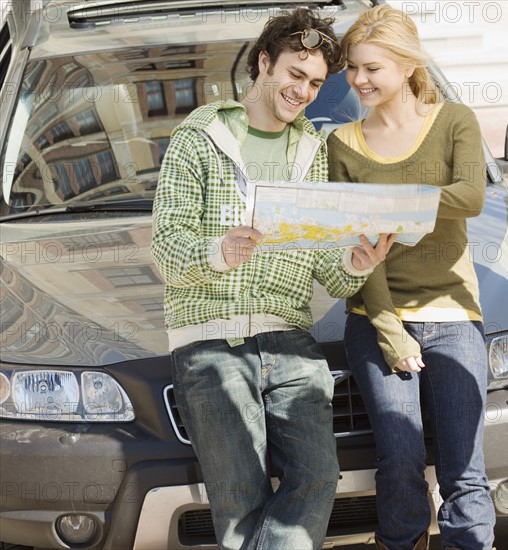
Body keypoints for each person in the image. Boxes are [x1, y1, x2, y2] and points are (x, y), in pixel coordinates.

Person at [151, 8, 395, 550]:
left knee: (316, 477)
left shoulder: (313, 154)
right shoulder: (198, 138)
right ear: (264, 63)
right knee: (239, 501)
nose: (303, 91)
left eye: (313, 83)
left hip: (290, 340)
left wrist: (359, 262)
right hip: (210, 341)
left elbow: (328, 267)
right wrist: (220, 250)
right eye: (295, 74)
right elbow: (167, 251)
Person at [327, 5, 496, 550]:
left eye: (371, 68)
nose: (358, 80)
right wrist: (389, 329)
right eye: (353, 67)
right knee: (398, 460)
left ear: (406, 65)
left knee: (464, 467)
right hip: (377, 318)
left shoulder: (454, 121)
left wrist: (388, 204)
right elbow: (357, 248)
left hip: (452, 314)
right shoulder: (343, 144)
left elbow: (470, 196)